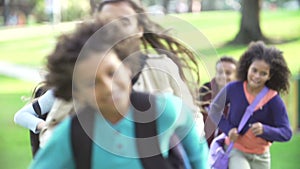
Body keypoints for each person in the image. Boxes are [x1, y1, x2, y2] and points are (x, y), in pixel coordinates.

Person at [14, 0, 205, 148]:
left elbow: (193, 120)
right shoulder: (82, 77)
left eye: (124, 22)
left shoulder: (163, 69)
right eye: (107, 23)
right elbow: (52, 135)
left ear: (139, 30)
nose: (115, 29)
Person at [208, 41, 292, 169]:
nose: (257, 76)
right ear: (247, 67)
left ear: (270, 76)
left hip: (262, 157)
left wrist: (265, 130)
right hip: (237, 150)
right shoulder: (233, 89)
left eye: (263, 73)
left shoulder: (273, 100)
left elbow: (286, 132)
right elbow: (214, 109)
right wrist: (228, 129)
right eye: (254, 70)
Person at [199, 56, 237, 146]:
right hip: (203, 146)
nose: (223, 76)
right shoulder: (205, 93)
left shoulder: (239, 97)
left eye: (228, 73)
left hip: (226, 147)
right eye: (220, 72)